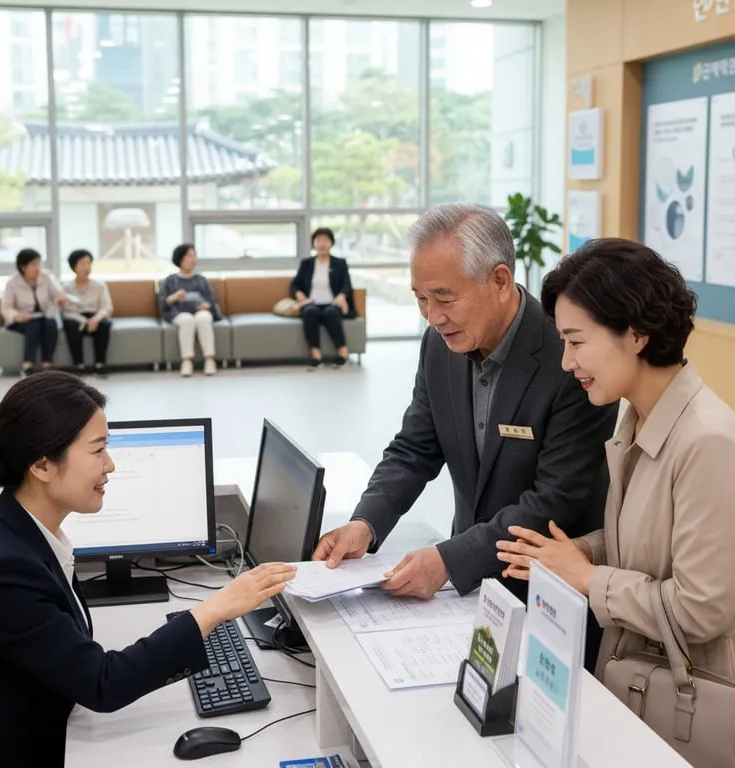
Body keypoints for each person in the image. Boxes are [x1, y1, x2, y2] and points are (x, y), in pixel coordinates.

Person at [312, 204, 617, 665]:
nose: (432, 316)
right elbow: (415, 448)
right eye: (419, 299)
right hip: (469, 594)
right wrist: (365, 523)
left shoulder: (569, 357)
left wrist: (448, 560)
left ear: (498, 281)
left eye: (444, 297)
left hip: (548, 593)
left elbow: (554, 499)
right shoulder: (440, 344)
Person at [0, 371, 295, 767]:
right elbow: (102, 684)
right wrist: (214, 609)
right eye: (97, 450)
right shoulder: (5, 568)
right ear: (41, 465)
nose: (111, 465)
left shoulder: (19, 530)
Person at [496, 240, 735, 758]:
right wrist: (586, 550)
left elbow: (700, 610)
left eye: (576, 342)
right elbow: (655, 540)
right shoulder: (636, 416)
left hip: (685, 717)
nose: (566, 362)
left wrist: (586, 578)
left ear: (636, 332)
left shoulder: (708, 441)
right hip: (632, 689)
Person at [291, 227, 355, 369]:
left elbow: (347, 285)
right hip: (312, 302)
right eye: (318, 240)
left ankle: (343, 354)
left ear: (331, 243)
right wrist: (299, 294)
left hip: (332, 303)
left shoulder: (340, 263)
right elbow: (295, 284)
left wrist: (341, 296)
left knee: (331, 313)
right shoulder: (306, 264)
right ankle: (316, 356)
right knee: (309, 312)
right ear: (314, 243)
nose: (322, 244)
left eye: (325, 240)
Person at [159, 244, 222, 377]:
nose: (193, 260)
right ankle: (187, 361)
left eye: (194, 256)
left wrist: (207, 305)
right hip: (178, 313)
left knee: (203, 317)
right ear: (180, 260)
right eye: (189, 256)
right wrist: (174, 297)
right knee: (187, 320)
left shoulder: (201, 280)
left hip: (200, 312)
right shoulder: (170, 281)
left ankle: (209, 359)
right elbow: (163, 303)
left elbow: (211, 301)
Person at [1, 248, 67, 375]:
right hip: (21, 320)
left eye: (39, 264)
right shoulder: (12, 283)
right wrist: (16, 316)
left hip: (43, 316)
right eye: (33, 264)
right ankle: (27, 365)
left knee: (51, 324)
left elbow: (57, 294)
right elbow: (6, 308)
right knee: (33, 326)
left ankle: (47, 364)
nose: (38, 268)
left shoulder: (45, 277)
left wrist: (60, 299)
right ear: (23, 267)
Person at [62, 249, 113, 376]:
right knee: (71, 326)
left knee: (104, 325)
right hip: (75, 317)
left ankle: (100, 365)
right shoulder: (66, 287)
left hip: (94, 315)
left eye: (89, 263)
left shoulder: (99, 286)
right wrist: (83, 321)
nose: (87, 267)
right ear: (74, 266)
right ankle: (79, 365)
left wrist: (96, 319)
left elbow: (107, 307)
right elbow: (65, 311)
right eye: (83, 263)